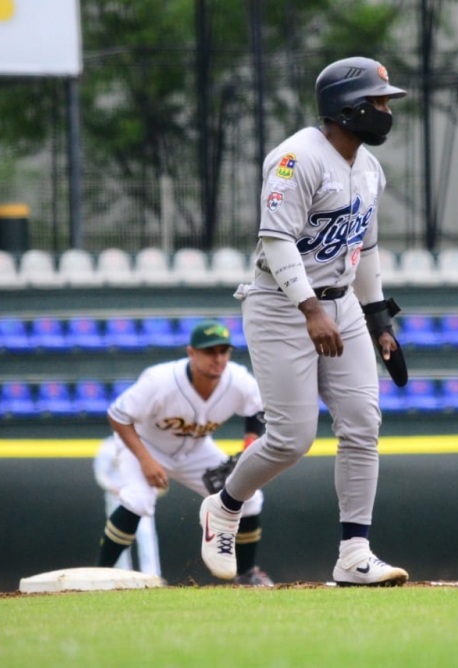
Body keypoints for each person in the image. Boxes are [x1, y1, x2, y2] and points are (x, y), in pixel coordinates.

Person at [199, 56, 409, 587]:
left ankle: (354, 554)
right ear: (347, 106)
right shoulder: (296, 158)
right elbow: (275, 239)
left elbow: (365, 245)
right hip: (280, 304)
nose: (385, 111)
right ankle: (224, 506)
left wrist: (379, 316)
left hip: (341, 304)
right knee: (292, 439)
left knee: (363, 424)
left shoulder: (368, 167)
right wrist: (310, 309)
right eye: (378, 101)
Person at [96, 318, 273, 586]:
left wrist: (249, 443)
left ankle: (246, 574)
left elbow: (257, 409)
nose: (218, 358)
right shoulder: (160, 380)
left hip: (196, 451)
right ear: (191, 352)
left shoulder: (237, 379)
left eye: (223, 351)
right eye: (209, 351)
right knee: (138, 500)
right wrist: (145, 459)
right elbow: (117, 415)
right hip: (145, 445)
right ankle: (99, 574)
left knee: (249, 498)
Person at [93, 434, 161, 576]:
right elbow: (100, 474)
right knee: (119, 537)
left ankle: (153, 576)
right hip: (117, 496)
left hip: (140, 495)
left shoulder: (147, 444)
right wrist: (112, 488)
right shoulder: (108, 445)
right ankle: (122, 576)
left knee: (146, 535)